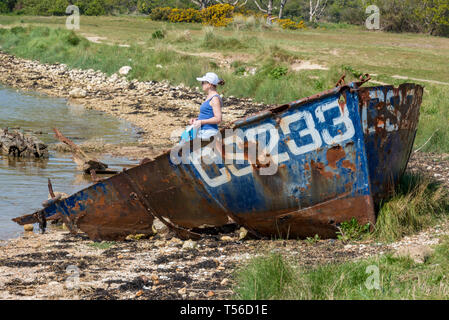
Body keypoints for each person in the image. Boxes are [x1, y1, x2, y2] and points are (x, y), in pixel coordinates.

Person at [188, 72, 225, 140]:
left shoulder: (214, 98)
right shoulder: (209, 96)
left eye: (203, 82)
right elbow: (208, 115)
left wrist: (201, 122)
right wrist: (196, 120)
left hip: (208, 132)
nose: (201, 84)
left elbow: (218, 119)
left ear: (209, 84)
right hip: (203, 131)